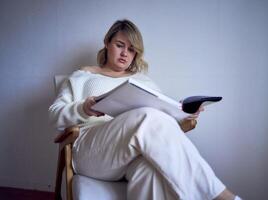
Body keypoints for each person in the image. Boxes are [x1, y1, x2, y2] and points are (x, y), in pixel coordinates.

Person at [49, 19, 242, 200]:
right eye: (119, 45)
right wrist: (85, 108)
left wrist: (183, 114)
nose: (125, 53)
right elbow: (54, 114)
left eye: (131, 49)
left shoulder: (143, 81)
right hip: (91, 151)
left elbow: (160, 126)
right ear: (107, 43)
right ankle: (219, 195)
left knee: (149, 172)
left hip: (131, 155)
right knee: (147, 116)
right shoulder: (83, 75)